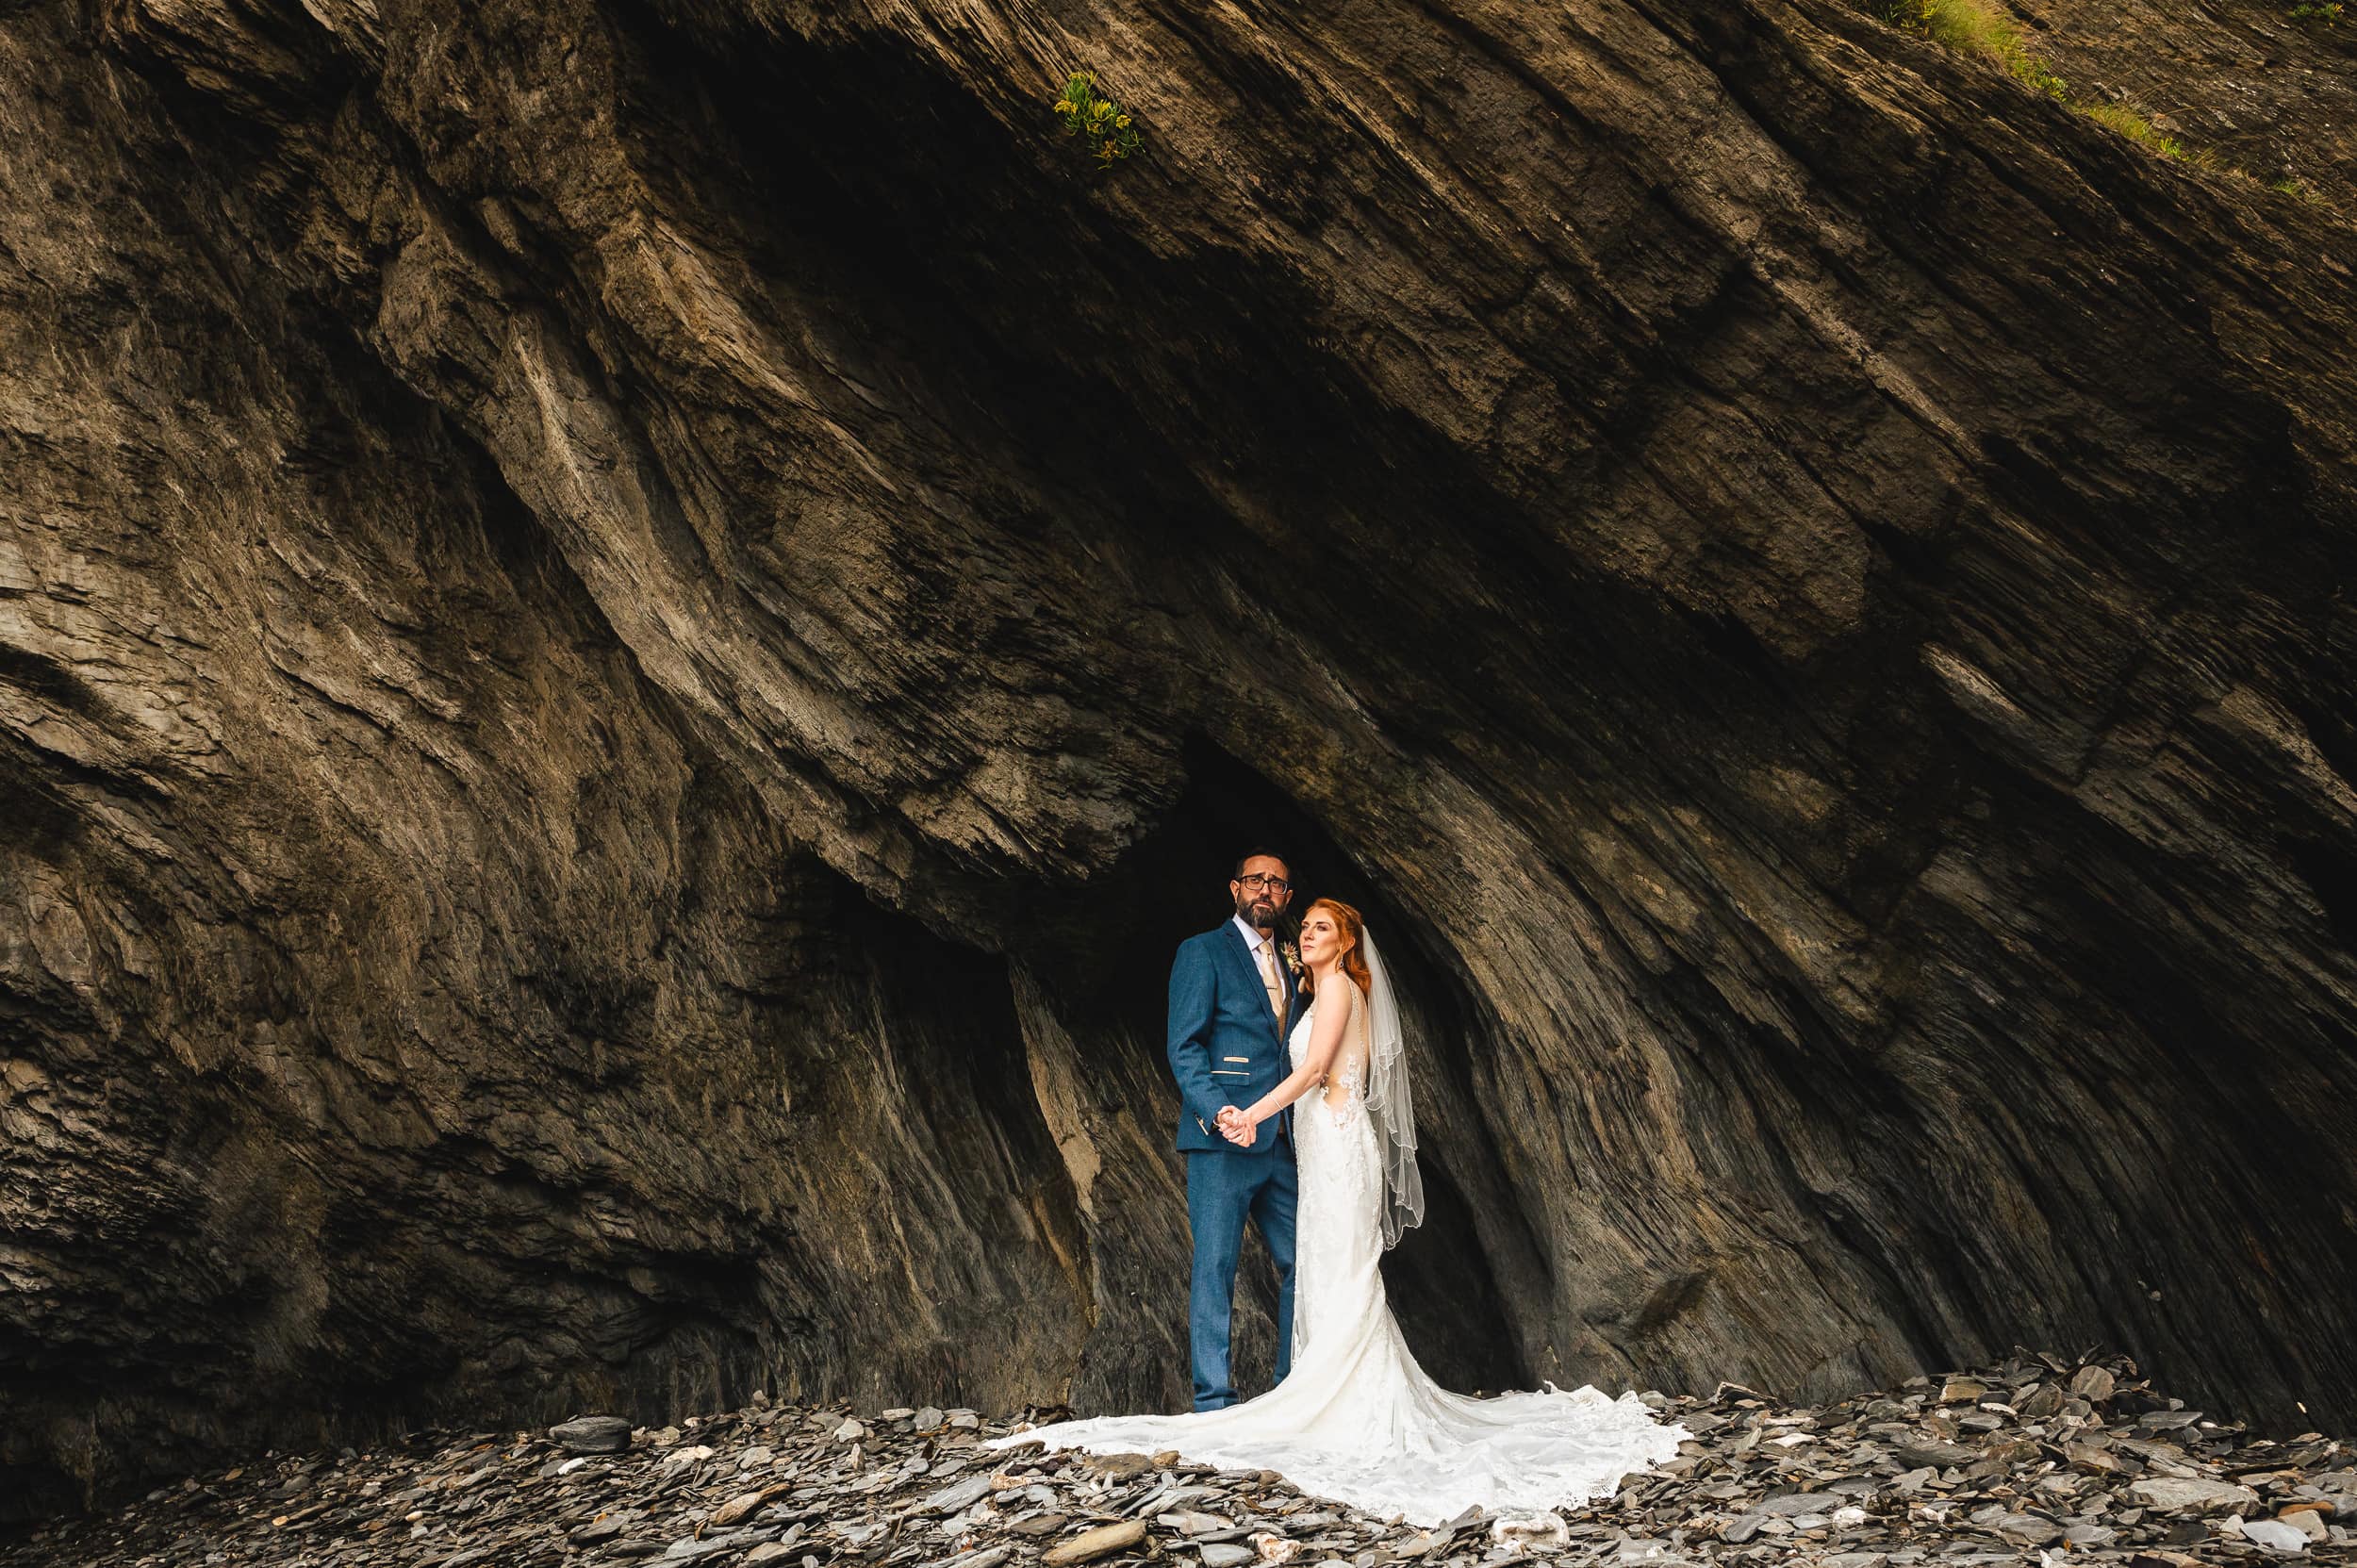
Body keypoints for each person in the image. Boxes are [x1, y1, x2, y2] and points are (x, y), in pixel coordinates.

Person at [989, 894, 1687, 1526]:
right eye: (1309, 926)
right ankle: (1319, 1390)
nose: (1308, 934)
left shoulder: (1343, 988)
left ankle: (1345, 1402)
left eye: (1322, 927)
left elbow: (1315, 1071)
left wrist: (1249, 1114)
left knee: (1343, 1271)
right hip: (1317, 1155)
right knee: (1319, 1267)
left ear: (1346, 941)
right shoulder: (1319, 988)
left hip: (1342, 1152)